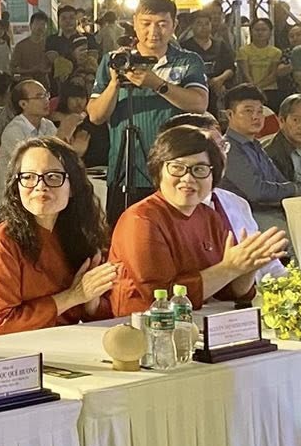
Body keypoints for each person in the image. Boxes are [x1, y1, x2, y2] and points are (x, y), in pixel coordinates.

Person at [108, 125, 287, 315]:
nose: (188, 178)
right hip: (143, 325)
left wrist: (248, 267)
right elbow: (160, 297)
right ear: (158, 170)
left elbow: (229, 291)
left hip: (200, 320)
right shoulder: (141, 219)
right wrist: (229, 268)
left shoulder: (209, 217)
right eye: (177, 168)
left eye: (199, 169)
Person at [86, 0, 211, 219]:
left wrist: (157, 84)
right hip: (124, 170)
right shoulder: (114, 60)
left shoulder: (188, 61)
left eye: (162, 24)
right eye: (146, 23)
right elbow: (95, 116)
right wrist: (114, 83)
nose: (154, 31)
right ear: (134, 23)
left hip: (175, 172)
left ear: (174, 25)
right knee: (123, 234)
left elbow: (199, 103)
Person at [0, 139, 116, 334]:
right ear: (16, 186)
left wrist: (92, 302)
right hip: (21, 350)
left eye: (53, 176)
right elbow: (2, 326)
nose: (40, 186)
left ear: (73, 187)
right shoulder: (3, 241)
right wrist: (72, 297)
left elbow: (105, 316)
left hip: (73, 341)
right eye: (29, 177)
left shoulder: (82, 232)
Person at [218, 85, 298, 233]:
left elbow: (279, 180)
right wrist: (293, 188)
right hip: (246, 216)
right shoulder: (228, 148)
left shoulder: (255, 145)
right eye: (248, 111)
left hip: (271, 211)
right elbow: (256, 192)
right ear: (230, 114)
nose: (256, 117)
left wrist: (289, 189)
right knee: (296, 236)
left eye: (260, 111)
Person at [0, 79, 61, 196]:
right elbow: (35, 164)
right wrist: (64, 133)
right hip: (16, 194)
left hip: (42, 187)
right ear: (23, 104)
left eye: (46, 95)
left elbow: (60, 159)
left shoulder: (48, 125)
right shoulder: (14, 131)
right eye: (39, 97)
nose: (46, 100)